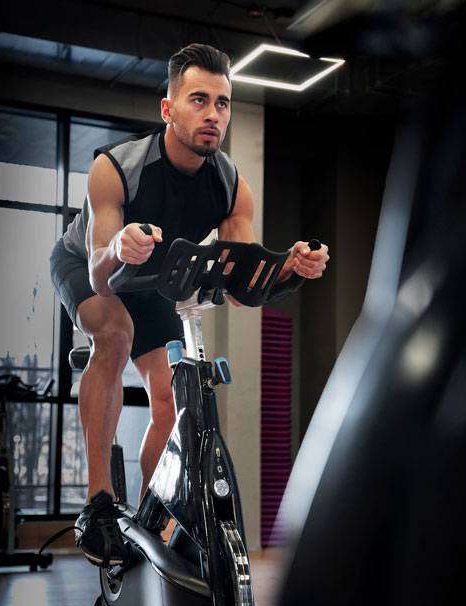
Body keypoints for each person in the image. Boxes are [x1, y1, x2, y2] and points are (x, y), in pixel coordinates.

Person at [49, 42, 330, 566]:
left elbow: (243, 287)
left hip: (155, 274)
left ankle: (153, 514)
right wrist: (118, 246)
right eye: (199, 100)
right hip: (92, 266)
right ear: (168, 108)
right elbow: (97, 271)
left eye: (222, 103)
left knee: (170, 397)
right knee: (115, 335)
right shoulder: (115, 168)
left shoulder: (230, 186)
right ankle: (99, 503)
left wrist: (289, 270)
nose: (213, 114)